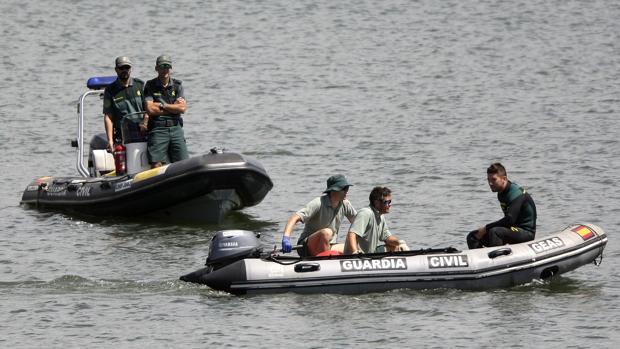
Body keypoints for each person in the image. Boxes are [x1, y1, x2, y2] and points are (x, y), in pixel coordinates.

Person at [281, 174, 357, 256]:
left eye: (347, 188)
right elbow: (294, 218)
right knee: (327, 232)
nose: (347, 191)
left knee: (355, 248)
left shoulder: (345, 204)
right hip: (306, 247)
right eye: (344, 189)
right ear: (333, 190)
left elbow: (359, 224)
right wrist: (286, 238)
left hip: (329, 245)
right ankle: (327, 261)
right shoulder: (318, 203)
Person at [467, 162, 537, 249]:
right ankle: (480, 259)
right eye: (488, 180)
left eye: (493, 179)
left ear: (504, 179)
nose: (490, 183)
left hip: (526, 232)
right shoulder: (501, 193)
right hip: (512, 229)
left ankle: (496, 261)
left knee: (495, 232)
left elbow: (509, 220)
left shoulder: (515, 193)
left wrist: (486, 228)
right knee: (473, 236)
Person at [143, 55, 188, 168]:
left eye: (167, 66)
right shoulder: (150, 85)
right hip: (158, 129)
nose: (165, 69)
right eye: (162, 66)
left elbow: (182, 109)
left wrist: (162, 106)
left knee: (184, 164)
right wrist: (173, 108)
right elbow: (150, 109)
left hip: (175, 128)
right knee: (157, 165)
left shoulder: (178, 86)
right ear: (156, 68)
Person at [344, 186, 403, 254]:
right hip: (357, 255)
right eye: (387, 202)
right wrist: (355, 252)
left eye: (390, 202)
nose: (389, 205)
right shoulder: (365, 213)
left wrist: (399, 242)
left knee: (398, 247)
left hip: (371, 253)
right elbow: (352, 234)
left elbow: (387, 238)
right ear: (377, 203)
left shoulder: (381, 216)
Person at [103, 56, 145, 152]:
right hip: (123, 135)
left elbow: (149, 108)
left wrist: (146, 122)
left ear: (131, 69)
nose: (124, 70)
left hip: (143, 131)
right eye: (121, 68)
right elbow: (108, 117)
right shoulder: (110, 90)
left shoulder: (140, 85)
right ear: (116, 70)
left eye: (127, 68)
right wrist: (110, 140)